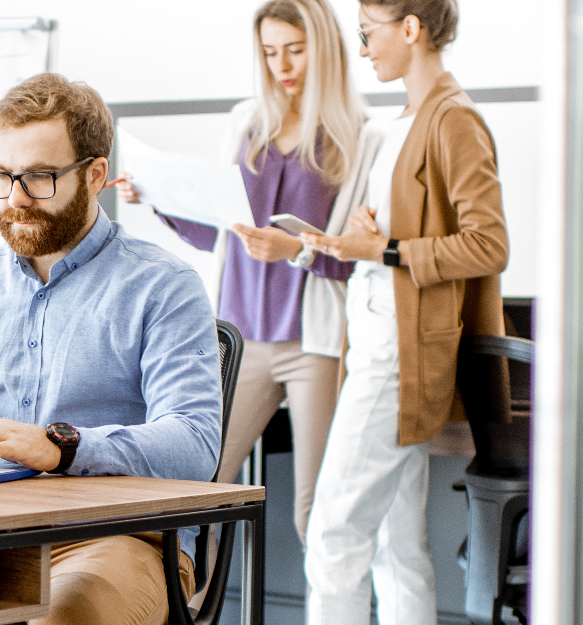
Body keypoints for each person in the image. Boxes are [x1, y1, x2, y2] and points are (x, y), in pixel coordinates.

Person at [0, 72, 222, 625]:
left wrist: (63, 446)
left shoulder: (164, 284)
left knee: (71, 615)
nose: (16, 199)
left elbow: (195, 442)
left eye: (40, 177)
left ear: (95, 174)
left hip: (120, 537)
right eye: (1, 176)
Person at [117, 0, 373, 544]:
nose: (283, 65)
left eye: (296, 51)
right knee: (200, 485)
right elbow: (224, 234)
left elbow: (356, 257)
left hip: (315, 346)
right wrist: (157, 200)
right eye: (270, 52)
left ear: (322, 49)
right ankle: (190, 605)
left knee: (317, 511)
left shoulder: (357, 135)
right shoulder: (246, 123)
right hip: (240, 337)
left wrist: (294, 249)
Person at [297, 0, 509, 623]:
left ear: (411, 29)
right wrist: (371, 236)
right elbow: (406, 234)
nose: (362, 50)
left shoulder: (454, 120)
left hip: (399, 355)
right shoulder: (407, 121)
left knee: (335, 533)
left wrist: (383, 247)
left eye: (368, 34)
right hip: (376, 344)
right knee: (394, 543)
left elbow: (488, 243)